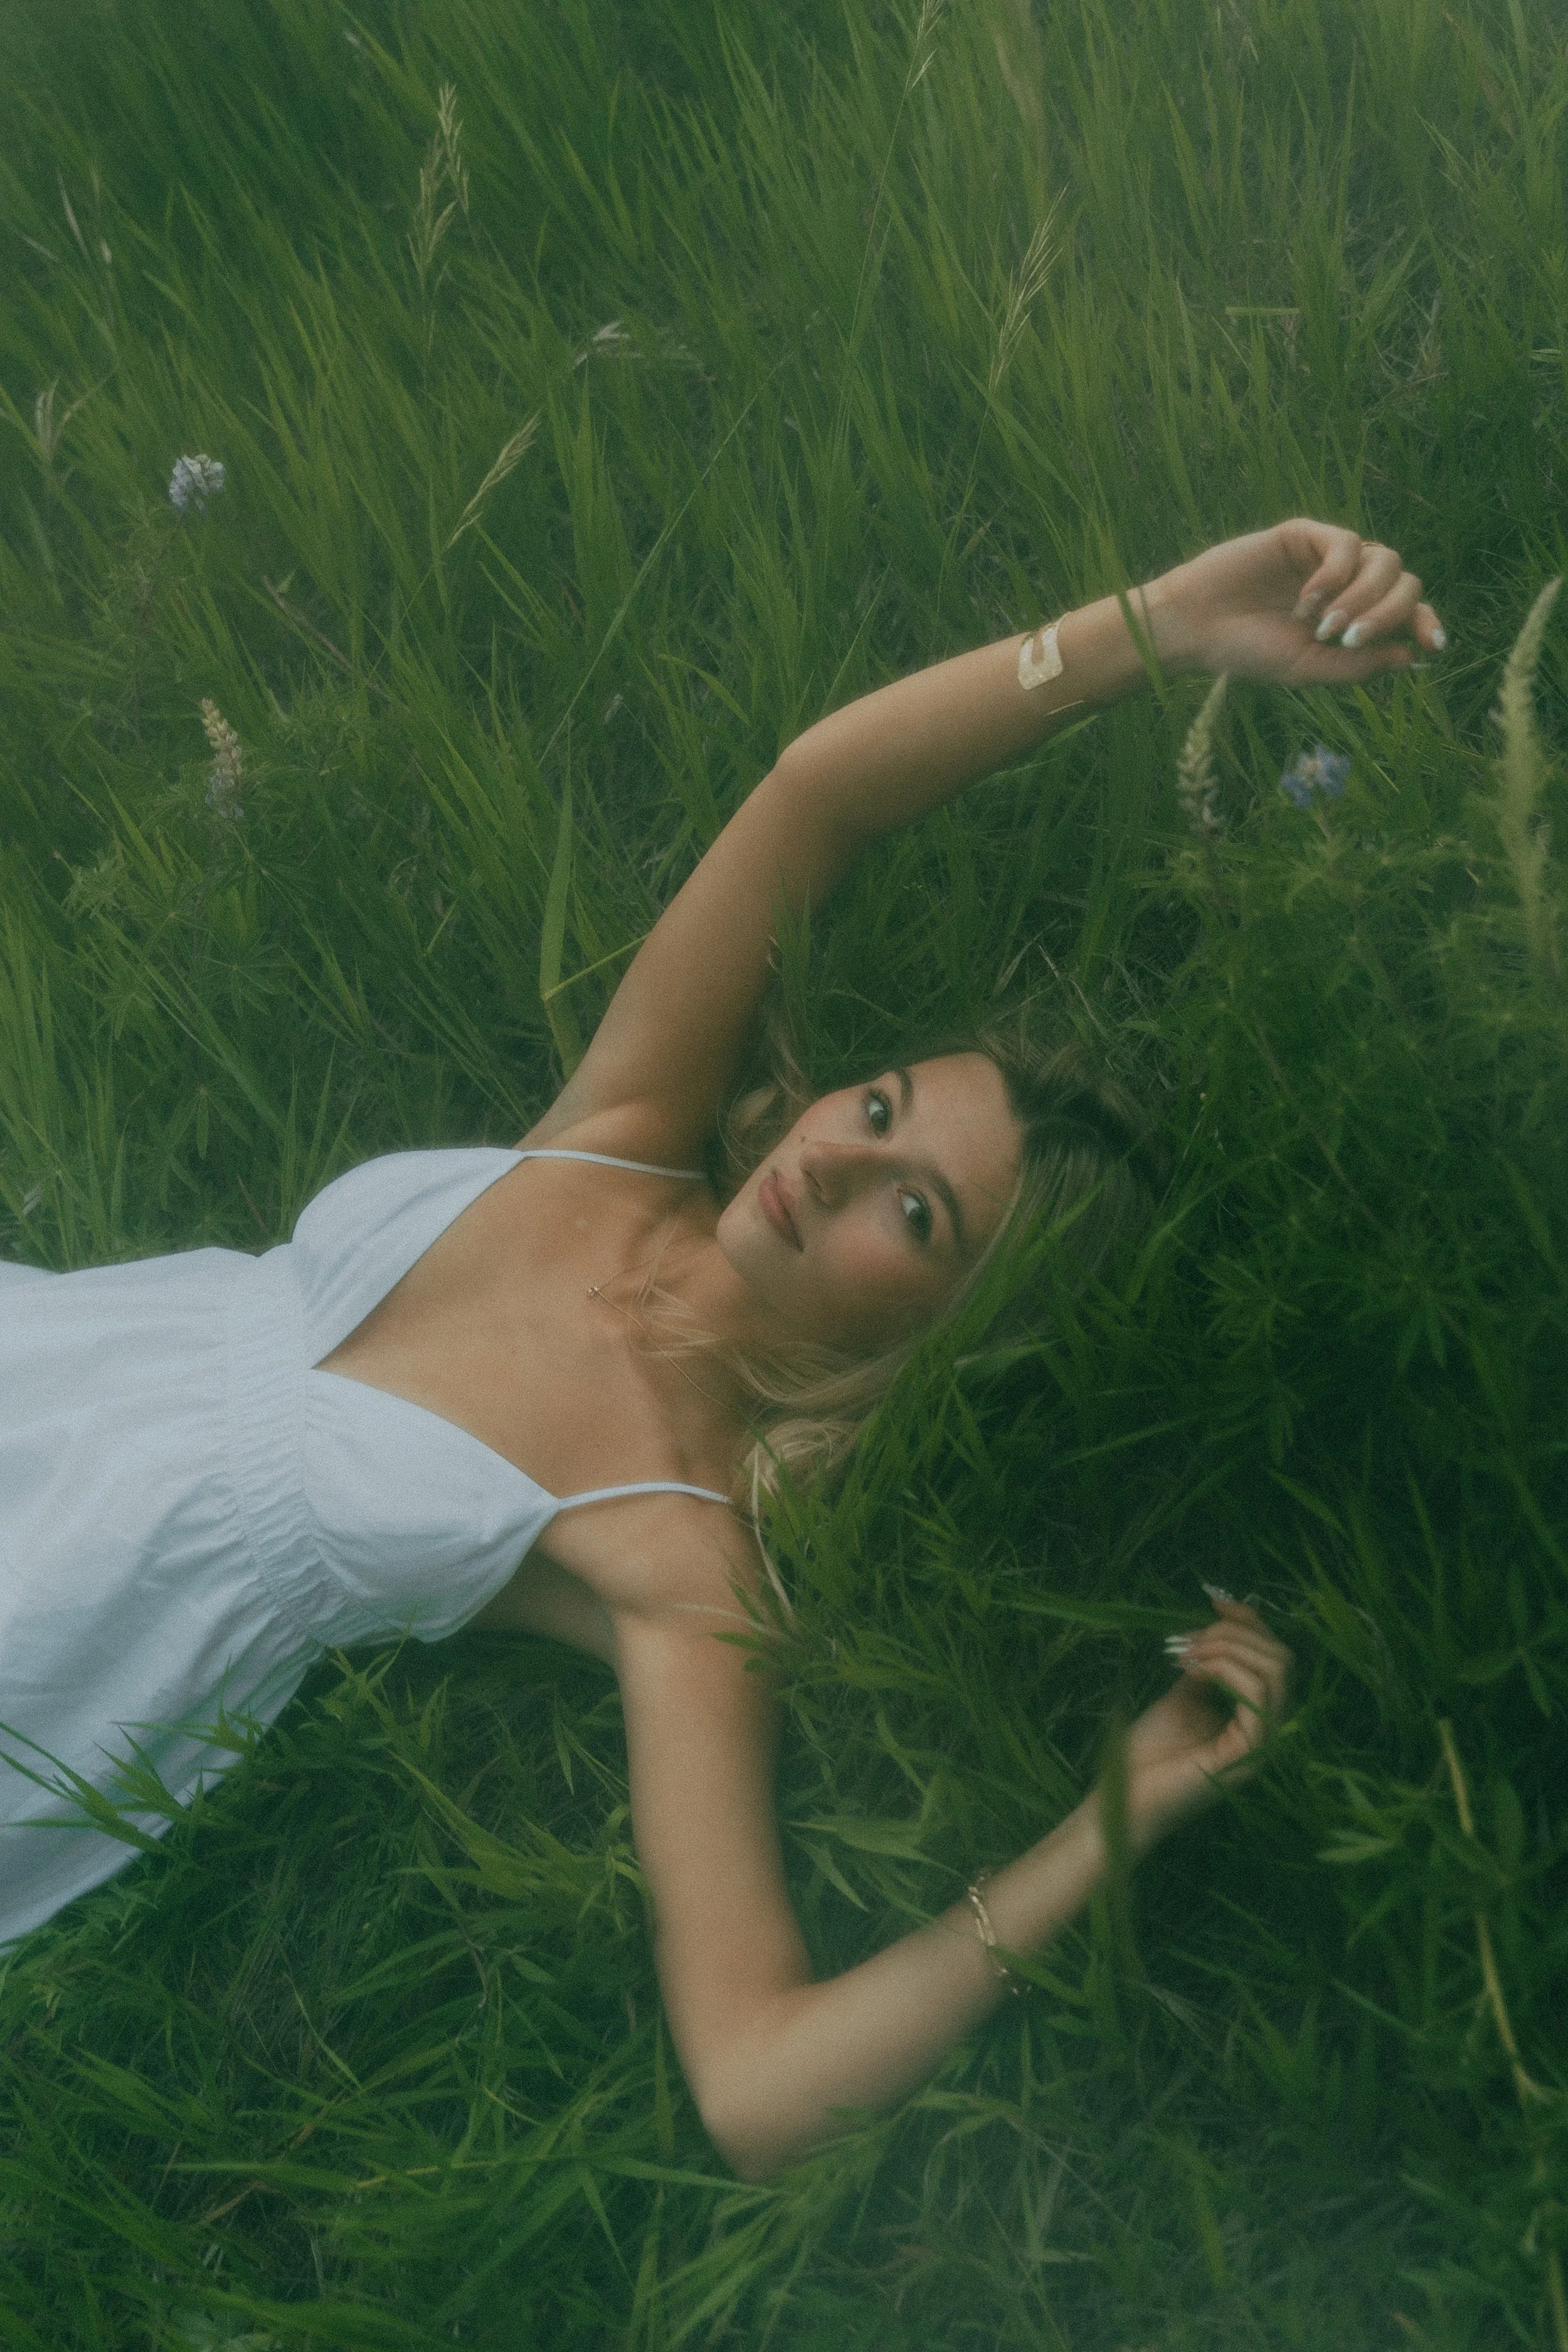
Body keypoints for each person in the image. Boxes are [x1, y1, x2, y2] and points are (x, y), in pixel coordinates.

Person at [0, 516, 1443, 2181]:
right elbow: (817, 795)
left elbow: (756, 2080)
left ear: (945, 1338)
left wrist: (1106, 1822)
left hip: (60, 1626)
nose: (833, 1158)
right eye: (881, 1107)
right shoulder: (619, 1134)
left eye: (910, 1217)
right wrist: (1166, 621)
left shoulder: (679, 1554)